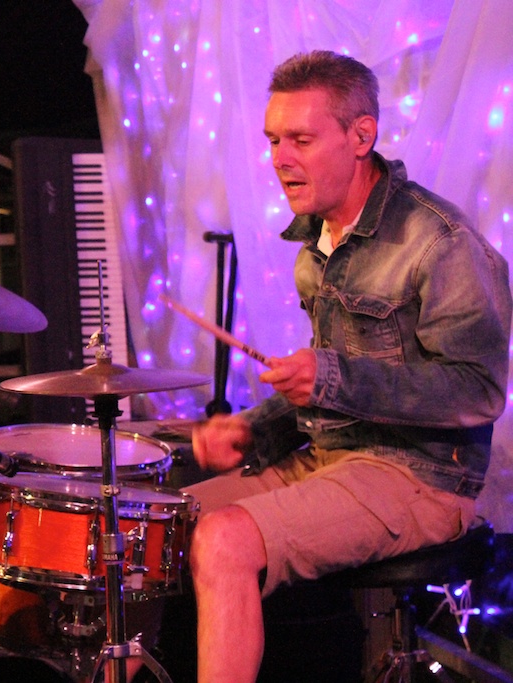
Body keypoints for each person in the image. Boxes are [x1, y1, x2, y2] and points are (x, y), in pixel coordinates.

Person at [182, 50, 511, 682]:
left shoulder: (439, 242)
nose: (280, 158)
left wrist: (331, 376)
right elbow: (330, 389)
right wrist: (255, 429)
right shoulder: (317, 244)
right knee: (160, 528)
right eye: (273, 140)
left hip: (422, 476)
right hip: (334, 458)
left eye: (300, 140)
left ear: (362, 136)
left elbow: (479, 390)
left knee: (224, 539)